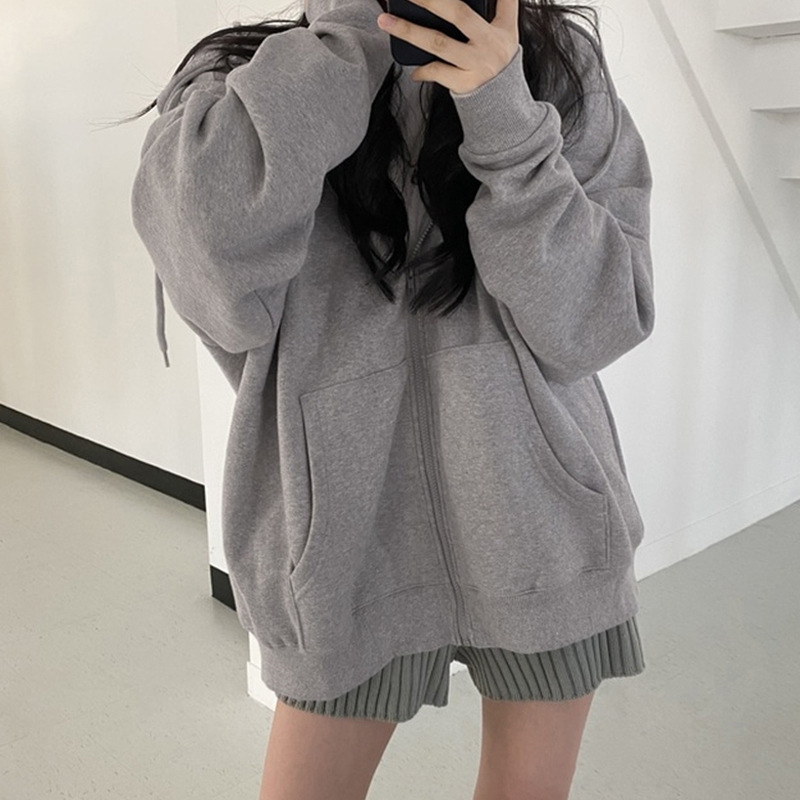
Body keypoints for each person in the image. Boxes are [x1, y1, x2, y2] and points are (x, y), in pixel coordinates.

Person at [125, 0, 655, 796]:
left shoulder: (557, 70)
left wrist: (503, 113)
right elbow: (215, 288)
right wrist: (349, 42)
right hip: (340, 557)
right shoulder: (233, 79)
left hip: (542, 530)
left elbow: (599, 322)